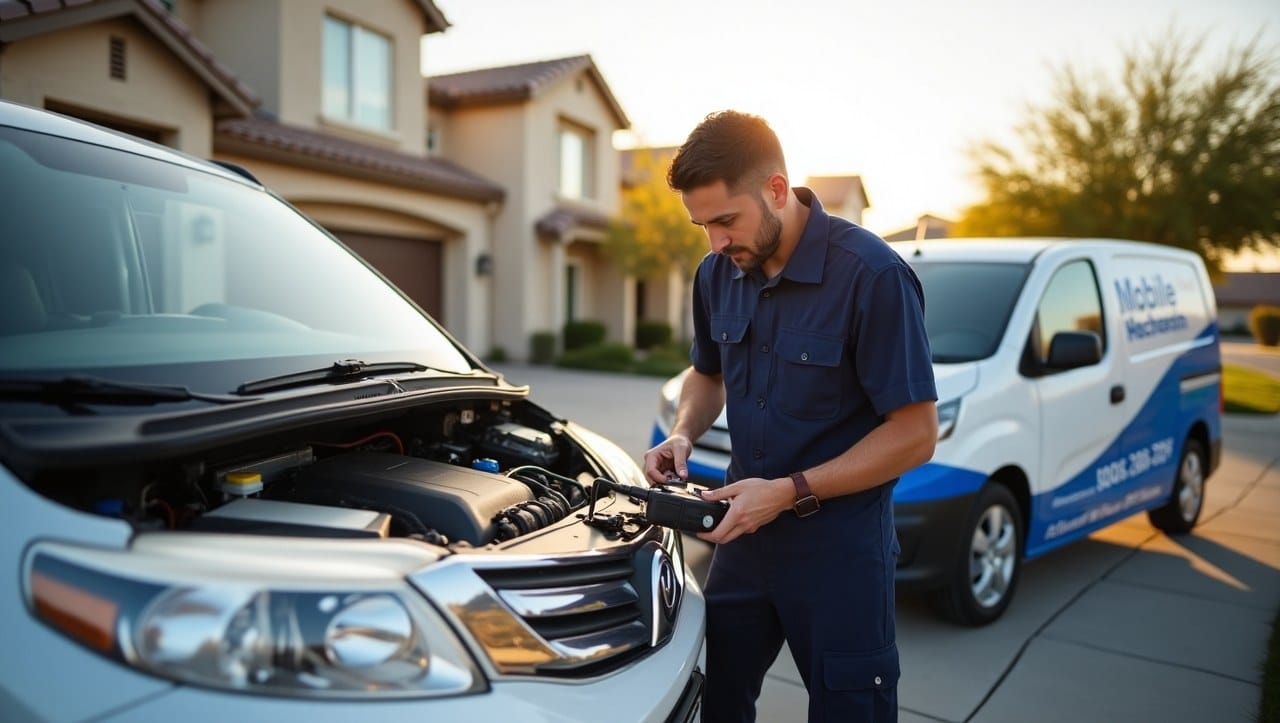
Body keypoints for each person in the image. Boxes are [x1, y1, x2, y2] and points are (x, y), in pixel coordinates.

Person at [643, 110, 938, 723]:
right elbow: (708, 372)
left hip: (841, 553)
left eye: (726, 220)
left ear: (776, 189)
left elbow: (915, 434)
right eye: (702, 226)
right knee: (716, 702)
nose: (716, 242)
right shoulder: (715, 273)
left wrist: (789, 492)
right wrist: (682, 433)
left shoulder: (873, 277)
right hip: (743, 542)